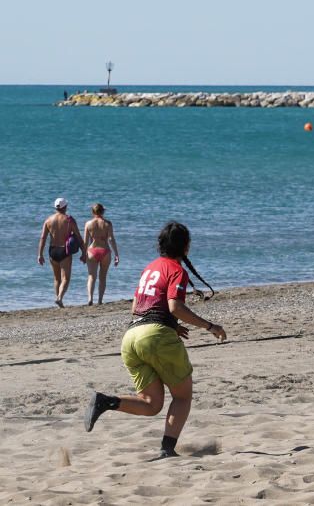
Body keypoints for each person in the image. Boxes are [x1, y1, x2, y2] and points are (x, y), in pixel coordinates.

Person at [83, 221, 226, 460]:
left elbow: (136, 307)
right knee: (182, 396)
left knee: (151, 404)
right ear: (186, 246)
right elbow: (175, 306)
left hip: (130, 338)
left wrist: (172, 325)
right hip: (154, 336)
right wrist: (210, 326)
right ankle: (167, 449)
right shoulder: (177, 270)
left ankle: (106, 401)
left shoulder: (150, 268)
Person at [37, 197, 87, 307]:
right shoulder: (69, 219)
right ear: (65, 207)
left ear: (55, 207)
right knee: (66, 278)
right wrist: (84, 252)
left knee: (56, 278)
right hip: (65, 250)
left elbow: (43, 238)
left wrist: (40, 254)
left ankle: (58, 299)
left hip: (52, 250)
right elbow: (78, 236)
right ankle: (59, 298)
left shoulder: (48, 220)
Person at [84, 203, 120, 305]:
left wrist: (83, 254)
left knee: (91, 276)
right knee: (102, 277)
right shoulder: (108, 223)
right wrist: (116, 254)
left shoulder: (88, 224)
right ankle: (100, 300)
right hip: (105, 251)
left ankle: (90, 298)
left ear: (93, 212)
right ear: (103, 211)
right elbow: (111, 239)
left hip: (92, 251)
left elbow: (85, 241)